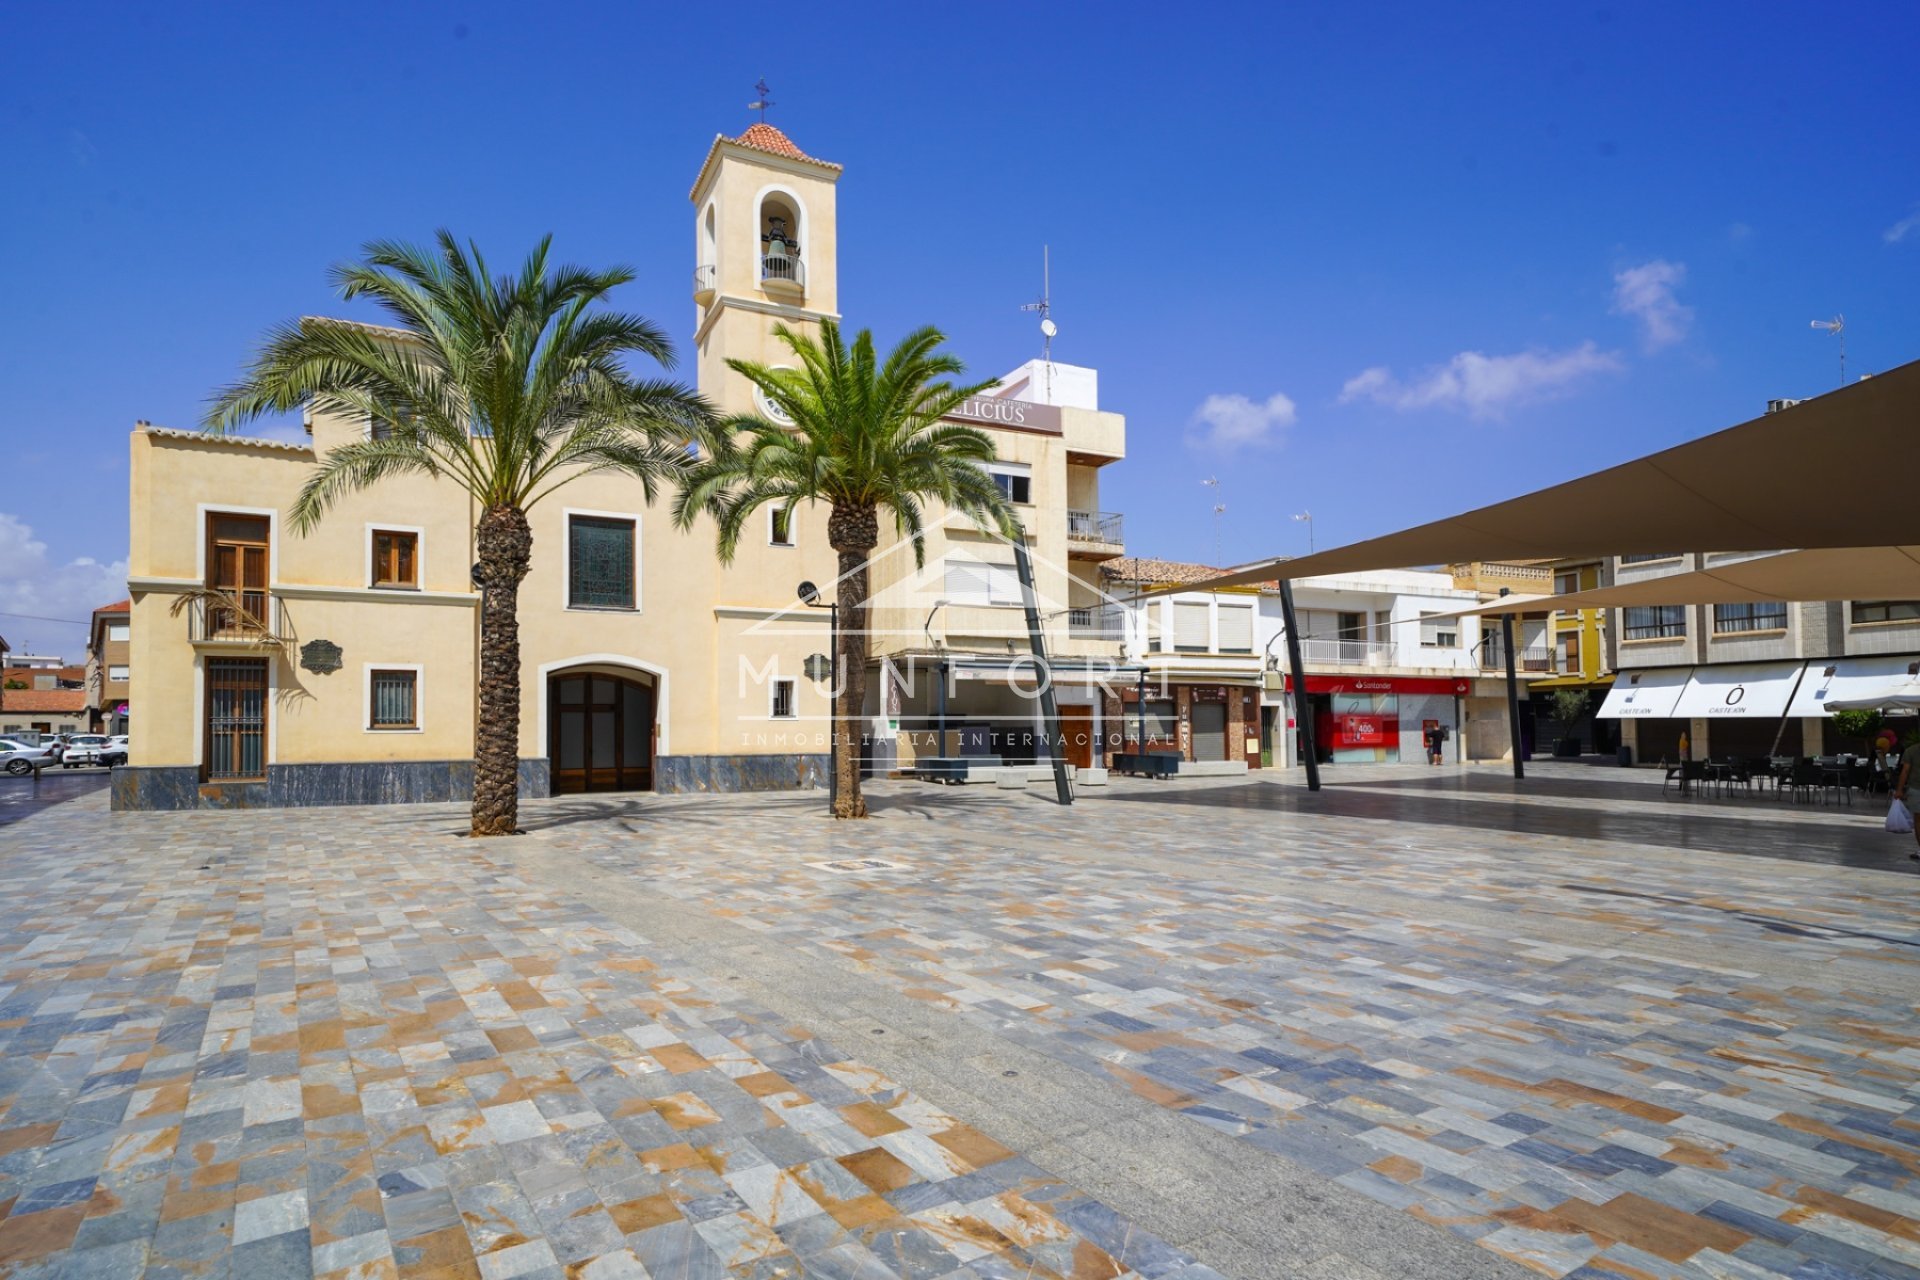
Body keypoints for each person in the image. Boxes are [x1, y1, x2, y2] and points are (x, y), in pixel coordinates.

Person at [1896, 737, 1920, 862]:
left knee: (1918, 820)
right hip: (1916, 788)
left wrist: (1899, 789)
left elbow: (1905, 771)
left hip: (1916, 788)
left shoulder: (1911, 751)